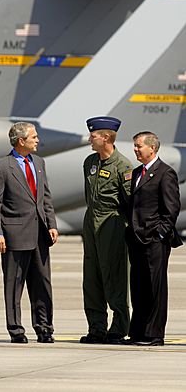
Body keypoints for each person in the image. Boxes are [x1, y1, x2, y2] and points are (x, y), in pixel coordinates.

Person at [0, 122, 58, 344]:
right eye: (34, 137)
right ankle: (16, 330)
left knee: (43, 283)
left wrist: (52, 224)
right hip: (14, 235)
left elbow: (45, 196)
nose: (38, 140)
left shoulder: (39, 163)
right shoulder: (1, 168)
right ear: (21, 141)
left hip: (40, 234)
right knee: (14, 284)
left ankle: (44, 328)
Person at [124, 131, 182, 346]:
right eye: (135, 146)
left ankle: (154, 334)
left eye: (139, 146)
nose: (136, 150)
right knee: (138, 286)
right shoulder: (137, 172)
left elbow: (171, 208)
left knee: (154, 287)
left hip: (154, 240)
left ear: (152, 148)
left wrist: (159, 233)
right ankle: (137, 332)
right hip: (136, 239)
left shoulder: (165, 173)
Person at [80, 116, 133, 344]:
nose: (90, 140)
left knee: (114, 275)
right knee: (91, 278)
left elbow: (130, 201)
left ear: (105, 137)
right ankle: (96, 328)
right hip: (91, 222)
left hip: (112, 223)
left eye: (93, 136)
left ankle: (119, 328)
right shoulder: (89, 162)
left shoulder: (123, 165)